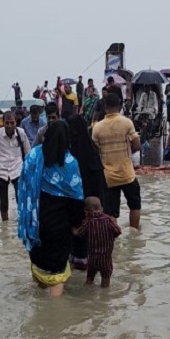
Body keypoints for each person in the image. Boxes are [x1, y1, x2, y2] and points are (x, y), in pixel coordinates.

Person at [17, 121, 84, 297]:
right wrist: (76, 225)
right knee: (57, 273)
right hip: (60, 226)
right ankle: (54, 317)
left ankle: (39, 300)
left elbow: (23, 186)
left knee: (38, 262)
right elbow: (76, 200)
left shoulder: (33, 156)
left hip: (35, 222)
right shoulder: (69, 163)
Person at [91, 93, 142, 229]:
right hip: (127, 174)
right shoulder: (127, 123)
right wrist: (128, 151)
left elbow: (94, 152)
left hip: (108, 177)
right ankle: (134, 237)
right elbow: (137, 145)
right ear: (119, 106)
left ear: (105, 107)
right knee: (135, 205)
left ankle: (113, 242)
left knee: (111, 212)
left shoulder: (97, 128)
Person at [66, 115, 107, 270]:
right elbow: (100, 186)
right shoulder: (93, 151)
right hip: (93, 210)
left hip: (76, 209)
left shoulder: (69, 154)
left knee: (76, 243)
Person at [0, 111, 31, 221]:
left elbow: (28, 153)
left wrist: (29, 172)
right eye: (7, 123)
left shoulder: (21, 133)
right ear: (3, 123)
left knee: (21, 200)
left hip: (18, 169)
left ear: (16, 122)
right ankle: (4, 228)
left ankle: (21, 224)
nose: (9, 126)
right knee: (3, 203)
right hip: (1, 171)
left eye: (12, 123)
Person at [75, 197, 121, 287]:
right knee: (106, 278)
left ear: (86, 212)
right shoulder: (108, 220)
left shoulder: (87, 222)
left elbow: (80, 234)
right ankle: (104, 298)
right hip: (105, 259)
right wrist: (112, 237)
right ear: (102, 208)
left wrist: (73, 230)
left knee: (89, 278)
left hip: (92, 258)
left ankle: (87, 294)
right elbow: (118, 231)